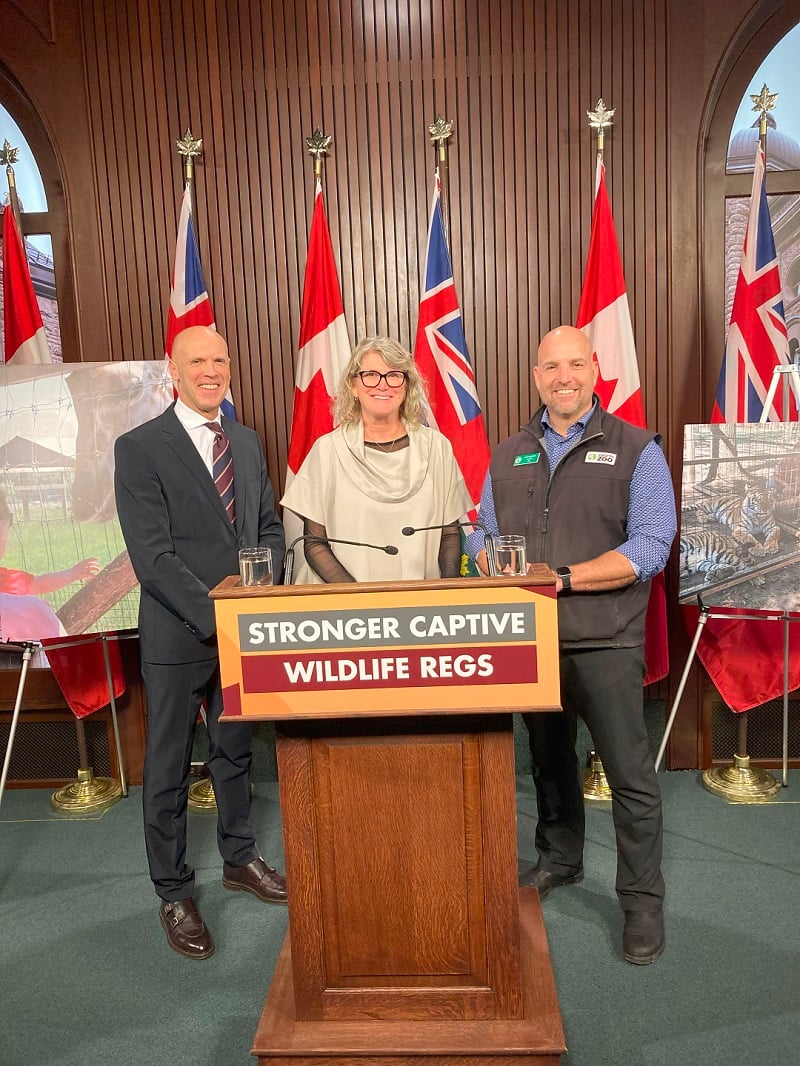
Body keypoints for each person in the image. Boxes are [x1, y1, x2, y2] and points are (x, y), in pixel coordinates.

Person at [466, 325, 676, 966]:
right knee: (549, 762)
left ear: (594, 371)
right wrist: (485, 560)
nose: (564, 376)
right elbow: (482, 531)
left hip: (606, 638)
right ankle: (559, 857)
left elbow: (650, 546)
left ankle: (641, 903)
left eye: (575, 364)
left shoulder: (638, 448)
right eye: (551, 366)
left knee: (630, 776)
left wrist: (563, 579)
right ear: (536, 376)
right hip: (529, 641)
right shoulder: (509, 453)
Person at [113, 326, 287, 960]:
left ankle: (240, 859)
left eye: (219, 360)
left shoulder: (243, 440)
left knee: (234, 750)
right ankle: (174, 890)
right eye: (197, 362)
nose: (210, 371)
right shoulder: (139, 448)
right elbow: (152, 557)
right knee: (166, 767)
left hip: (241, 629)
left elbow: (267, 528)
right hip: (178, 629)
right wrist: (219, 613)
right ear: (174, 371)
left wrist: (258, 591)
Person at [281, 336, 472, 582]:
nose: (383, 385)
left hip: (422, 606)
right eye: (370, 375)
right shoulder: (327, 451)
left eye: (394, 375)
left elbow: (450, 535)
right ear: (353, 385)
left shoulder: (437, 449)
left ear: (407, 385)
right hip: (348, 611)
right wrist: (361, 603)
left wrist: (446, 595)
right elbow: (314, 542)